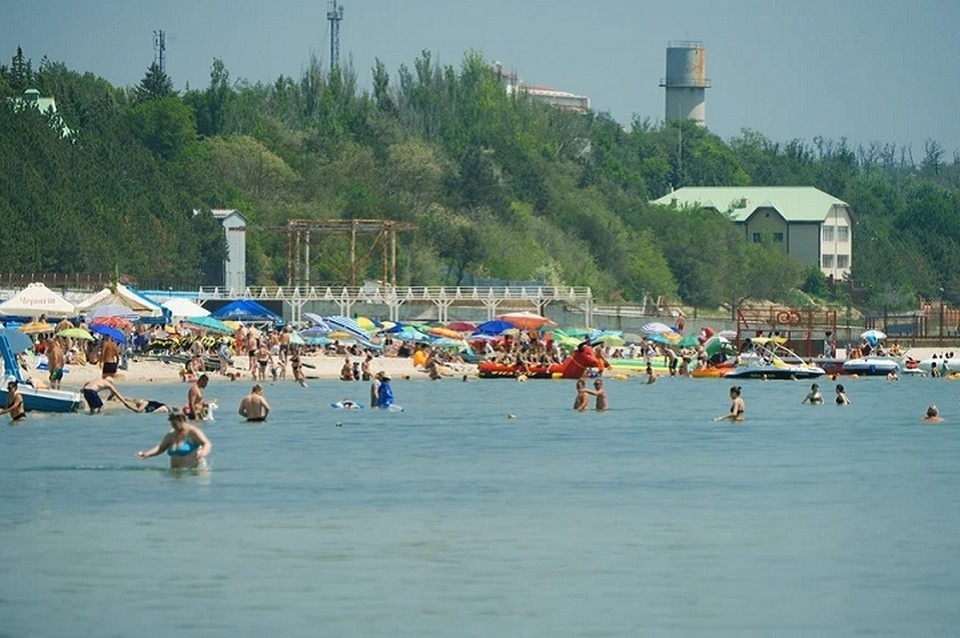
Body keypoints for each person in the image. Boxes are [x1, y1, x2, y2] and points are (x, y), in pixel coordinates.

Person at [136, 410, 212, 469]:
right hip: (176, 474)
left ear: (181, 421)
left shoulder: (193, 432)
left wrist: (203, 452)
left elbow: (207, 443)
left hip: (194, 474)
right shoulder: (172, 434)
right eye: (171, 424)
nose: (173, 427)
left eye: (175, 424)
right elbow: (161, 448)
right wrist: (147, 454)